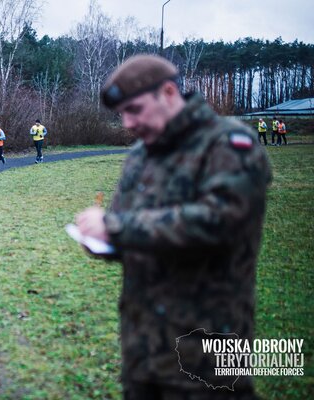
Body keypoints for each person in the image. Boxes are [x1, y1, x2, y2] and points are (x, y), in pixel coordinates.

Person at [75, 55, 271, 399]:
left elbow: (219, 222)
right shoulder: (140, 156)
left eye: (135, 109)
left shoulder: (228, 143)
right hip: (142, 351)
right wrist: (101, 240)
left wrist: (117, 228)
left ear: (168, 92)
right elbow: (132, 232)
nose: (128, 122)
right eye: (122, 113)